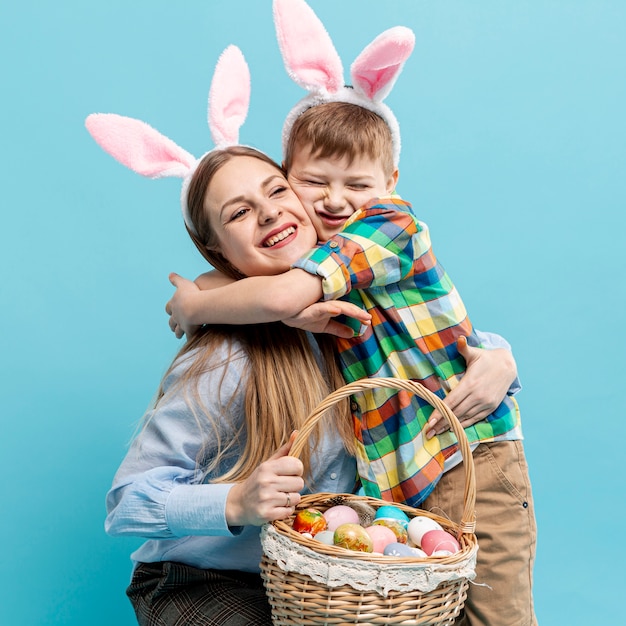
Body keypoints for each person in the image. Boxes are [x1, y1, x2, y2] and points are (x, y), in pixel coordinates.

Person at [166, 102, 537, 625]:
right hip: (401, 482)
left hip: (464, 455)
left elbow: (271, 296)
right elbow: (242, 282)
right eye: (314, 182)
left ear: (390, 182)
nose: (337, 200)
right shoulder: (306, 268)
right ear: (291, 177)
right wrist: (213, 295)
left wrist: (195, 307)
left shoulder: (385, 225)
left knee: (494, 615)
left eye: (357, 185)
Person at [104, 147, 364, 626]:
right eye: (240, 212)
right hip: (199, 580)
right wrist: (237, 501)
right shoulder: (229, 356)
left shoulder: (357, 322)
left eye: (278, 190)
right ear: (219, 252)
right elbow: (126, 502)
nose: (269, 212)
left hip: (309, 583)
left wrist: (495, 360)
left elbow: (434, 340)